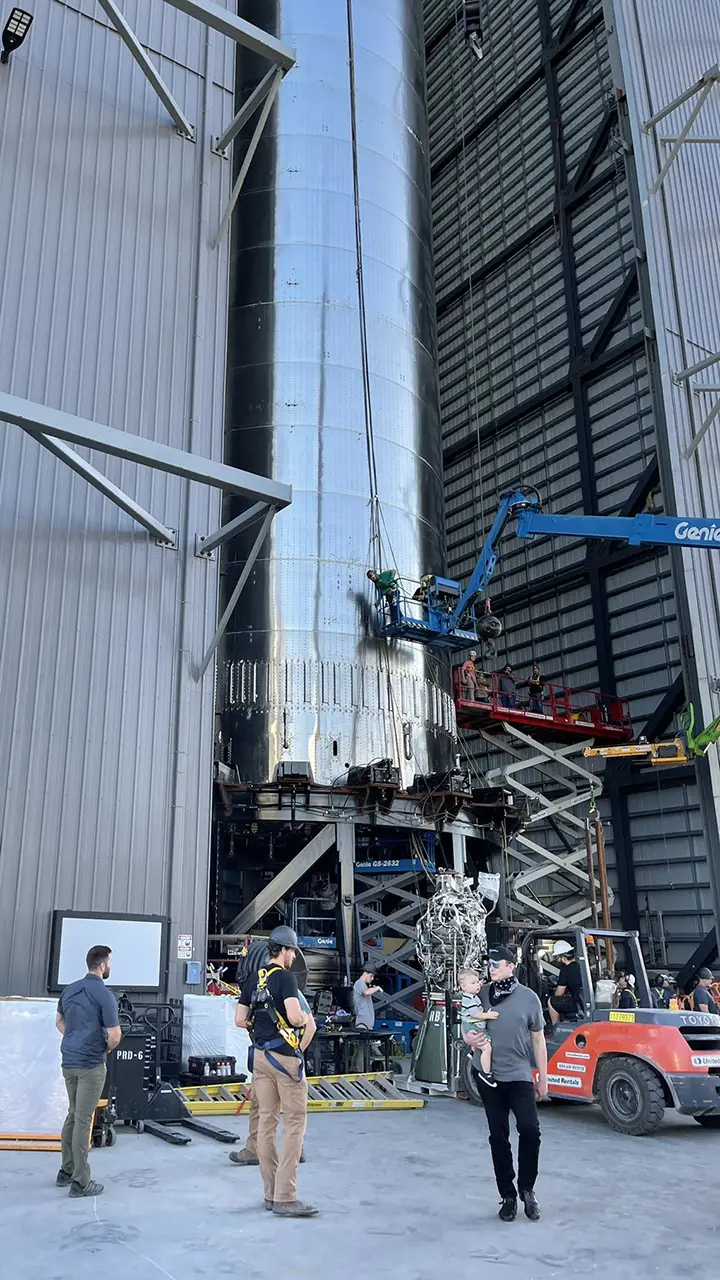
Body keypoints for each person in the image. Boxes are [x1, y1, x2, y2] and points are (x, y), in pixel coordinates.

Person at [235, 925, 317, 1218]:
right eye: (292, 951)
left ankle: (270, 1193)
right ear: (284, 950)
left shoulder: (253, 980)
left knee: (266, 1124)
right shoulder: (285, 978)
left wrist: (262, 1026)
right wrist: (302, 1020)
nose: (293, 956)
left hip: (261, 1058)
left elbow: (239, 1019)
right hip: (284, 1059)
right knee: (294, 1123)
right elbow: (295, 1017)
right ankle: (286, 1196)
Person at [463, 945, 547, 1223]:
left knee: (530, 1131)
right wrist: (467, 1038)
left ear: (511, 966)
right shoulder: (481, 993)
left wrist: (543, 1077)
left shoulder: (529, 998)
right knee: (498, 1136)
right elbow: (465, 1021)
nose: (491, 968)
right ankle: (508, 1196)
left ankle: (527, 1189)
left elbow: (538, 1039)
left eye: (496, 964)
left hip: (519, 1073)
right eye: (489, 963)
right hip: (489, 1075)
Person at [55, 944, 121, 1198]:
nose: (110, 966)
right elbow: (115, 1036)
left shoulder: (70, 990)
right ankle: (81, 1182)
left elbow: (59, 1022)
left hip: (69, 1061)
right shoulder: (104, 995)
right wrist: (102, 1047)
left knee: (73, 1114)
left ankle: (66, 1171)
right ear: (102, 965)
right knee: (84, 1119)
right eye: (110, 962)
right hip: (91, 1064)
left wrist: (75, 1038)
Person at [459, 967, 498, 1086]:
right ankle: (486, 1073)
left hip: (473, 1025)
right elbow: (475, 1014)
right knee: (487, 1048)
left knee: (482, 1042)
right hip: (473, 1026)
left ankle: (472, 1053)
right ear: (463, 987)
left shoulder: (470, 995)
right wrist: (488, 1015)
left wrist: (478, 984)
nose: (477, 985)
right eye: (473, 983)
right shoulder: (469, 999)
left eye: (477, 982)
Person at [351, 965, 383, 1071]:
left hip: (366, 1023)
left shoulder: (363, 985)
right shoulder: (359, 983)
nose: (372, 979)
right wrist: (377, 988)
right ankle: (361, 1072)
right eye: (371, 976)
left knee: (360, 1048)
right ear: (365, 973)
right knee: (363, 1049)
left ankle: (354, 1068)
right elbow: (366, 992)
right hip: (363, 1023)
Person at [548, 940, 584, 1025]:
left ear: (563, 958)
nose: (557, 960)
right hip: (583, 1002)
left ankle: (556, 1026)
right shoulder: (582, 966)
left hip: (577, 1004)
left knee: (551, 1001)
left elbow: (559, 994)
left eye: (558, 958)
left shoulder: (565, 971)